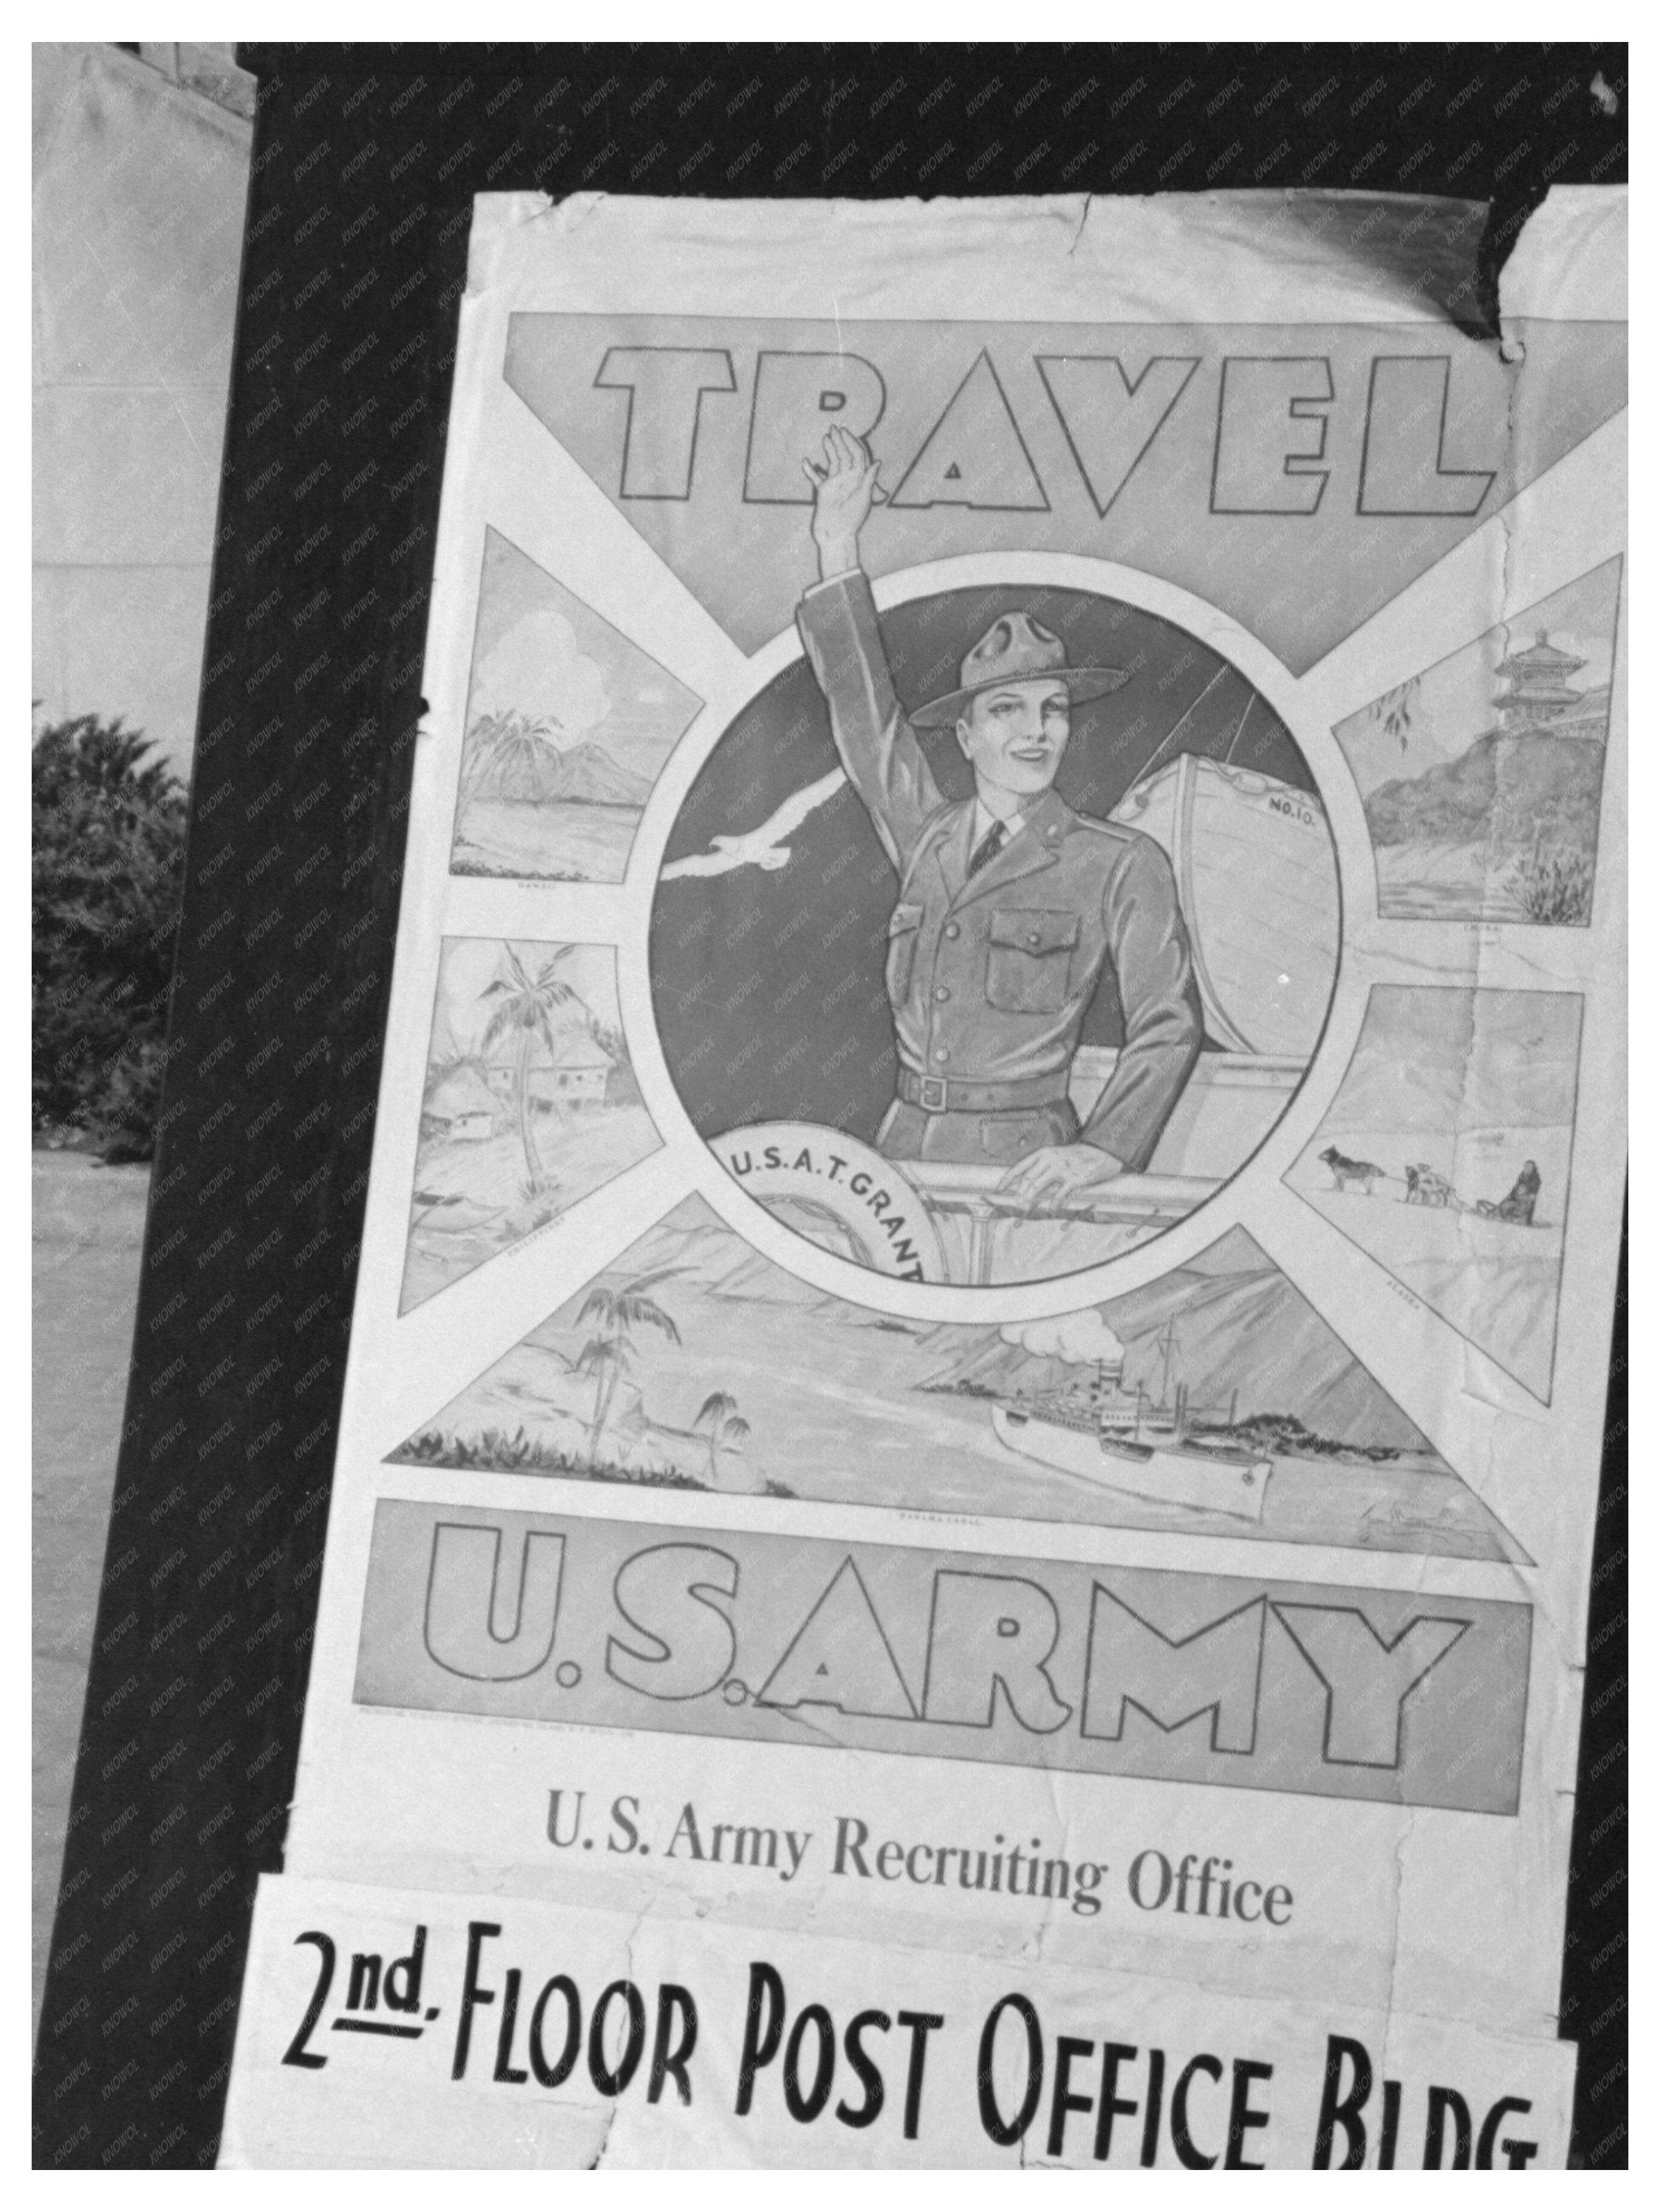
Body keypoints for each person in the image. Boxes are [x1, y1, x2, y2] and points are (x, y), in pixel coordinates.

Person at [796, 425, 1203, 1209]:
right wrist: (835, 544)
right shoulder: (930, 833)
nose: (1035, 730)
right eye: (1008, 710)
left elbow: (1167, 1021)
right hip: (903, 1149)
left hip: (1033, 1166)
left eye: (1053, 710)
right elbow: (864, 712)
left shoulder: (1120, 862)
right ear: (967, 734)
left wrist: (1105, 1150)